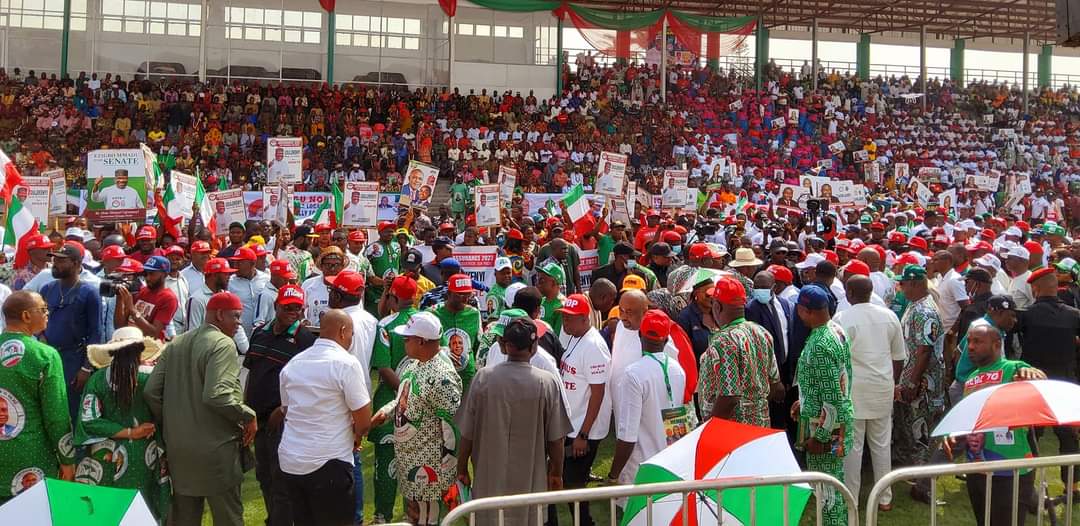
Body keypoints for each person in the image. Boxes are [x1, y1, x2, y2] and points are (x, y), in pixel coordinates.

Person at [145, 291, 257, 526]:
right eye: (236, 316)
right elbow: (217, 395)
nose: (239, 323)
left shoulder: (177, 343)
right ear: (219, 315)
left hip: (179, 448)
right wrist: (248, 415)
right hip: (217, 450)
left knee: (185, 518)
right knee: (228, 519)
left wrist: (173, 421)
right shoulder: (223, 343)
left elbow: (151, 391)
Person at [456, 317, 572, 526]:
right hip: (529, 486)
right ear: (534, 347)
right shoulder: (546, 383)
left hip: (489, 485)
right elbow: (556, 439)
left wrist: (462, 468)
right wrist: (556, 473)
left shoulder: (483, 378)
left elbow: (467, 433)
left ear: (504, 345)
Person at [279, 309, 372, 526]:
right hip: (329, 462)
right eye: (351, 334)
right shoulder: (346, 363)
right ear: (342, 331)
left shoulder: (293, 363)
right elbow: (364, 421)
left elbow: (287, 410)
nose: (351, 340)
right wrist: (356, 436)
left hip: (292, 461)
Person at [371, 312, 463, 526]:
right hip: (410, 462)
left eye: (407, 339)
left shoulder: (442, 377)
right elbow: (404, 397)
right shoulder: (414, 364)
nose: (404, 343)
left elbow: (450, 427)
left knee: (427, 519)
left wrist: (447, 473)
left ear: (421, 341)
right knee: (414, 516)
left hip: (430, 470)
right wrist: (386, 412)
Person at [74, 327, 168, 518]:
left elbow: (89, 421)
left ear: (112, 352)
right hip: (144, 455)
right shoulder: (152, 378)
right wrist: (138, 432)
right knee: (141, 508)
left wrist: (127, 432)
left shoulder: (97, 380)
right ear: (141, 350)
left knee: (106, 510)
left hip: (106, 456)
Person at [957, 323, 1046, 526]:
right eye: (969, 341)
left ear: (997, 345)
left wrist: (1031, 374)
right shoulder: (971, 379)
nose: (971, 347)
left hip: (1010, 470)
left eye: (977, 341)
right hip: (977, 467)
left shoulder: (1013, 368)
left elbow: (1037, 377)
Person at [244, 284, 316, 526]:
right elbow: (251, 372)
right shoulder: (260, 333)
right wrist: (246, 409)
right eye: (287, 307)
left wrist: (284, 409)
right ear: (276, 306)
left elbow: (307, 386)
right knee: (264, 475)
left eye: (297, 308)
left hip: (283, 420)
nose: (293, 312)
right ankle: (273, 519)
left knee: (281, 479)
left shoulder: (305, 340)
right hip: (257, 418)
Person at [833, 275, 906, 512]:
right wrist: (892, 383)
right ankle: (884, 498)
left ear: (849, 293)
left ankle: (851, 499)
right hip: (881, 387)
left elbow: (836, 359)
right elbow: (899, 357)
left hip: (853, 390)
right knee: (881, 445)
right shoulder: (889, 316)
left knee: (853, 448)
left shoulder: (842, 318)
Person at [0, 291, 75, 503]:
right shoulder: (45, 355)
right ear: (26, 316)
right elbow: (56, 416)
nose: (47, 314)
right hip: (31, 461)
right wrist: (67, 459)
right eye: (43, 309)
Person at [1014, 266, 1080, 492]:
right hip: (1064, 383)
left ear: (1035, 289)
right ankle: (1073, 487)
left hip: (1034, 384)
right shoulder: (1074, 315)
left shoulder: (1027, 315)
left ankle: (1027, 485)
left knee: (1031, 435)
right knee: (1069, 436)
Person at [793, 285, 854, 526]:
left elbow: (832, 397)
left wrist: (820, 437)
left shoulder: (820, 343)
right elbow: (829, 383)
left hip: (827, 431)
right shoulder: (835, 330)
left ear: (804, 310)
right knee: (832, 486)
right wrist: (803, 401)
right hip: (834, 425)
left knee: (828, 492)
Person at [607, 310, 688, 485]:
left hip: (640, 470)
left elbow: (628, 435)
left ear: (639, 335)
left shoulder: (633, 374)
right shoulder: (678, 370)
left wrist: (613, 475)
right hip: (668, 465)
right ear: (666, 340)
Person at [552, 293, 610, 525]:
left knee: (573, 485)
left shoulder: (594, 346)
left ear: (585, 319)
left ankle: (585, 523)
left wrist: (583, 435)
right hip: (573, 423)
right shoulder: (576, 337)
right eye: (564, 317)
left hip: (585, 430)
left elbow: (598, 394)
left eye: (570, 318)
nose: (565, 322)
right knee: (569, 482)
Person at [894, 264, 946, 503]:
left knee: (922, 433)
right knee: (913, 429)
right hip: (914, 378)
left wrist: (913, 383)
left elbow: (924, 351)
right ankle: (915, 476)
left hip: (923, 383)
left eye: (903, 283)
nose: (900, 287)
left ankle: (922, 485)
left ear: (914, 283)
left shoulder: (924, 311)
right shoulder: (916, 305)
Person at [698, 275, 782, 426]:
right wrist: (755, 409)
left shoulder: (724, 341)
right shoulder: (762, 333)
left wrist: (708, 426)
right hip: (760, 426)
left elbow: (729, 397)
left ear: (718, 306)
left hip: (733, 430)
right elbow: (774, 382)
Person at [369, 275, 419, 523]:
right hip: (421, 407)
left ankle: (383, 518)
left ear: (393, 298)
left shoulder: (386, 325)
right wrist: (417, 394)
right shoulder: (427, 320)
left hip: (390, 406)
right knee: (419, 467)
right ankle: (416, 517)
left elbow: (383, 367)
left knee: (386, 468)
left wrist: (405, 395)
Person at [41, 242, 102, 418]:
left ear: (76, 263)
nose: (55, 264)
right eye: (55, 260)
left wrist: (86, 368)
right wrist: (41, 336)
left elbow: (96, 333)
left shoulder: (89, 292)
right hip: (49, 357)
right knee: (49, 406)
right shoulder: (47, 289)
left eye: (61, 261)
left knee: (72, 409)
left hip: (74, 359)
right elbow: (39, 323)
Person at [743, 270, 794, 428]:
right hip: (767, 375)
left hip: (786, 369)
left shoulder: (785, 305)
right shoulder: (751, 309)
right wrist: (773, 380)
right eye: (756, 287)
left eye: (764, 287)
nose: (759, 291)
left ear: (774, 287)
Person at [115, 255, 177, 340]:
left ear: (164, 274)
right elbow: (120, 326)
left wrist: (132, 309)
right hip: (128, 342)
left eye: (152, 274)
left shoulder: (169, 298)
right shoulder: (142, 291)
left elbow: (154, 333)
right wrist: (119, 299)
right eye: (146, 274)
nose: (147, 278)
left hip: (148, 346)